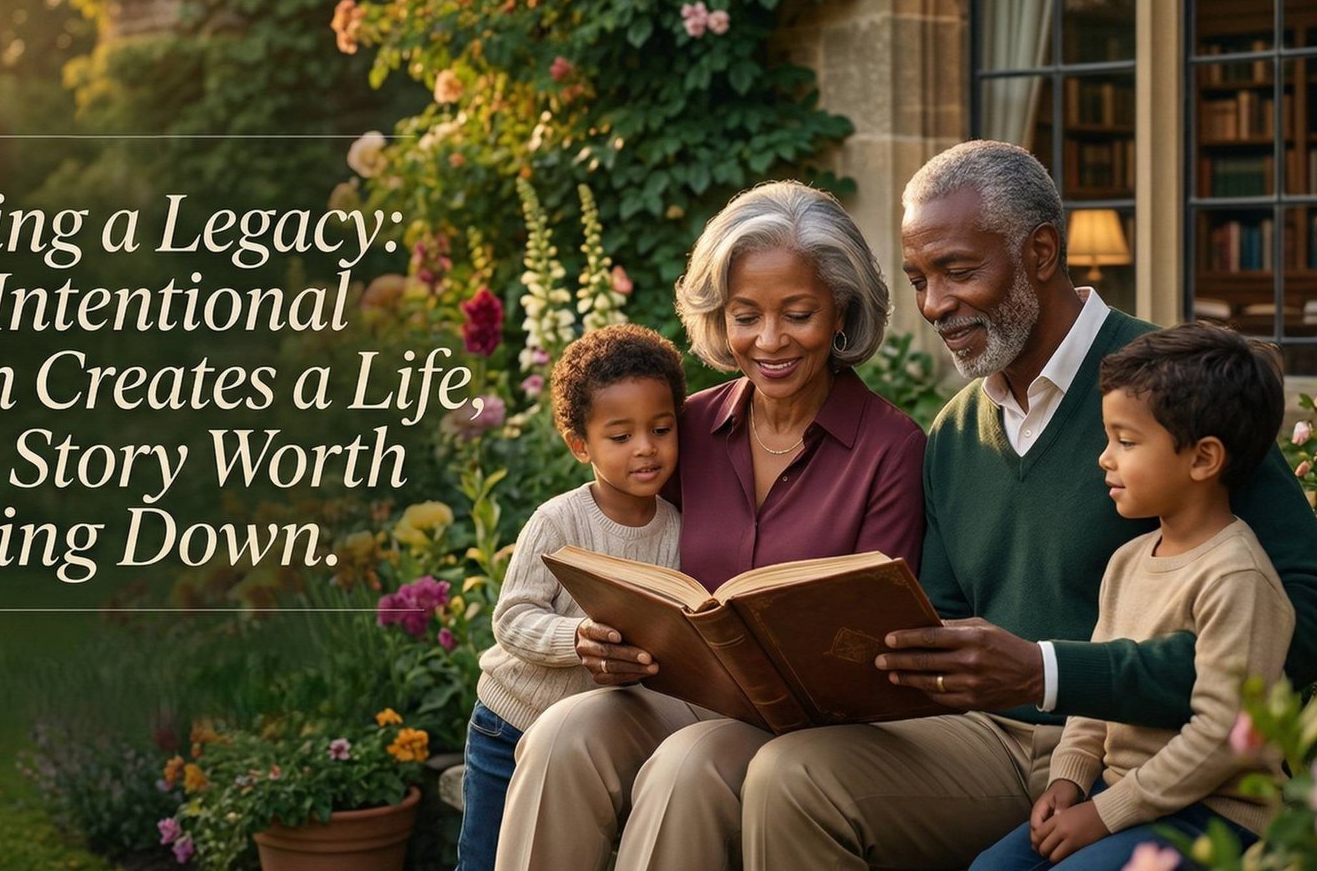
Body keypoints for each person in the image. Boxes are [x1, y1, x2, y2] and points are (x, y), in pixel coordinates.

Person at [732, 140, 1317, 869]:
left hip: (1144, 752)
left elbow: (1300, 617)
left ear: (1041, 252)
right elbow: (939, 621)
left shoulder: (1176, 388)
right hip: (989, 742)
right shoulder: (953, 434)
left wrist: (1050, 672)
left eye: (958, 272)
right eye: (918, 280)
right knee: (788, 773)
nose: (934, 305)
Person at [495, 180, 927, 871]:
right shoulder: (687, 426)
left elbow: (874, 640)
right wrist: (605, 638)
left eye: (798, 314)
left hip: (801, 724)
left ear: (842, 311)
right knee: (566, 730)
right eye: (745, 315)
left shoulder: (890, 449)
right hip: (680, 692)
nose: (770, 340)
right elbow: (620, 538)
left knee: (686, 766)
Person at [972, 321, 1291, 870]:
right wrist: (1070, 778)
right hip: (1120, 796)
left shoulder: (1237, 577)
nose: (1104, 457)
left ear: (1203, 459)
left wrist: (1104, 814)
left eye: (1126, 441)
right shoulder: (1128, 560)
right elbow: (1100, 698)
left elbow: (1223, 739)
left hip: (1214, 812)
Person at [456, 323, 687, 871]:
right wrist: (577, 638)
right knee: (485, 860)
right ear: (580, 444)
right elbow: (513, 617)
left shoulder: (678, 528)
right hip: (511, 721)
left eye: (661, 429)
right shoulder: (559, 520)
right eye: (620, 436)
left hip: (590, 739)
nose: (646, 448)